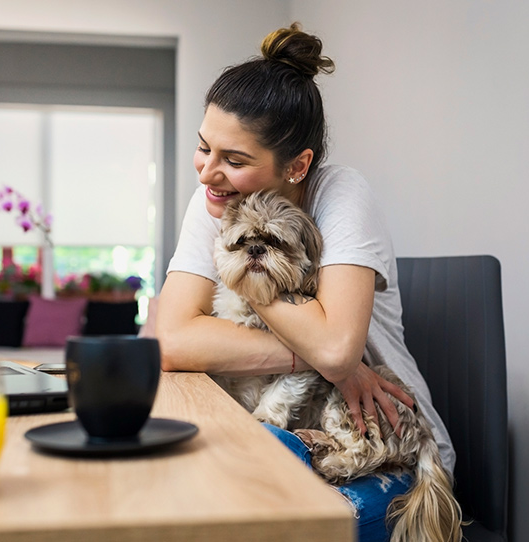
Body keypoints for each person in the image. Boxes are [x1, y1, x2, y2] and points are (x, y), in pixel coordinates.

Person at [155, 22, 455, 542]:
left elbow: (338, 349)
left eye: (235, 159)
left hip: (385, 456)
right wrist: (313, 350)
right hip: (279, 433)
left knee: (226, 502)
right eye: (205, 148)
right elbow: (173, 338)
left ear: (297, 165)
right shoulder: (214, 199)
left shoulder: (340, 194)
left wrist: (248, 273)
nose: (206, 173)